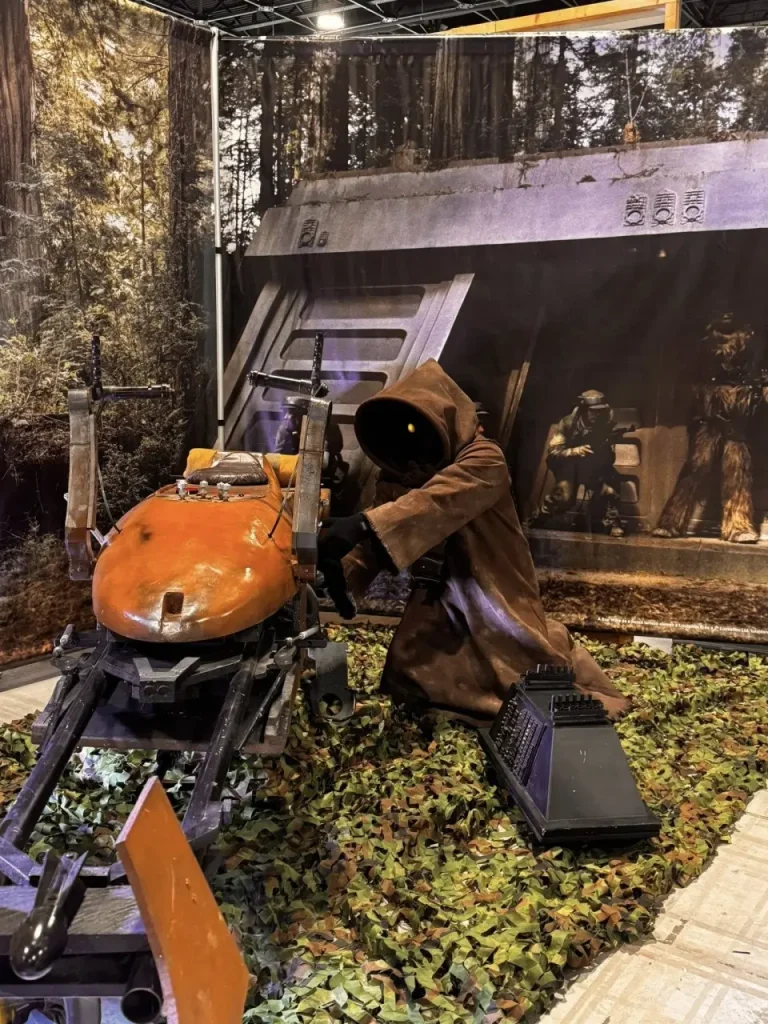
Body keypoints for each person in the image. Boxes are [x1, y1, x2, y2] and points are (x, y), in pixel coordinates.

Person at [317, 360, 629, 724]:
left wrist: (362, 524)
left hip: (492, 587)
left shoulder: (484, 459)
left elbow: (435, 502)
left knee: (518, 666)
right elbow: (380, 527)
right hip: (440, 591)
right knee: (412, 668)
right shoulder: (408, 471)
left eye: (416, 426)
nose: (410, 443)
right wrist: (341, 569)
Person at [537, 390, 625, 537]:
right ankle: (541, 517)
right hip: (570, 467)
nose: (597, 415)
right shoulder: (568, 423)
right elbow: (553, 452)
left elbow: (610, 459)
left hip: (594, 467)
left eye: (600, 411)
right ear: (584, 410)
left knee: (610, 489)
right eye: (593, 411)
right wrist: (575, 451)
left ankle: (612, 521)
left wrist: (603, 450)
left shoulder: (606, 425)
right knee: (564, 499)